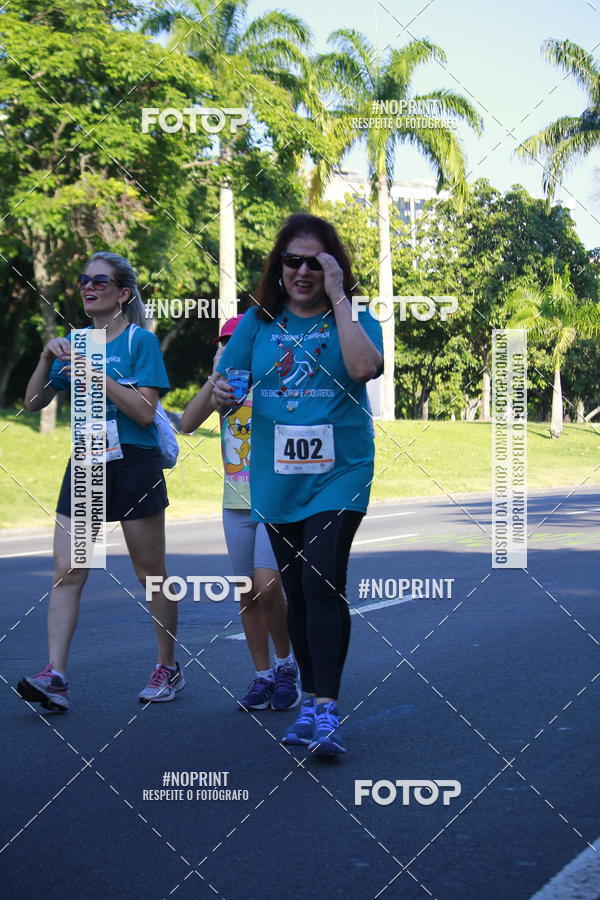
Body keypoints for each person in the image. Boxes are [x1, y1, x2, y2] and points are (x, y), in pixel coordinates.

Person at [212, 213, 383, 756]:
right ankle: (310, 701)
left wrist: (339, 299)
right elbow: (223, 385)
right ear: (278, 266)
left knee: (321, 584)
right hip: (279, 479)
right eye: (293, 260)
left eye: (317, 261)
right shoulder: (259, 325)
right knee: (297, 596)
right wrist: (216, 395)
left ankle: (328, 712)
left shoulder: (355, 318)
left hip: (341, 472)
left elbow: (363, 368)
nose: (303, 271)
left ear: (332, 266)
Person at [17, 251, 182, 711]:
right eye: (83, 279)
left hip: (134, 464)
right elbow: (33, 402)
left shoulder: (138, 343)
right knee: (69, 571)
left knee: (151, 575)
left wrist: (97, 375)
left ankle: (167, 667)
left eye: (100, 281)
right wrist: (45, 356)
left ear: (123, 294)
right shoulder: (75, 341)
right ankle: (55, 676)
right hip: (88, 463)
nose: (88, 286)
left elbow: (145, 412)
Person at [179, 314, 300, 712]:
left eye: (238, 343)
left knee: (267, 586)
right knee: (247, 593)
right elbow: (186, 424)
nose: (229, 351)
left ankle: (286, 666)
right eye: (224, 344)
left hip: (276, 501)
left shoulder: (277, 384)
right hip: (235, 503)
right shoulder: (224, 391)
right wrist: (213, 384)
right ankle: (262, 674)